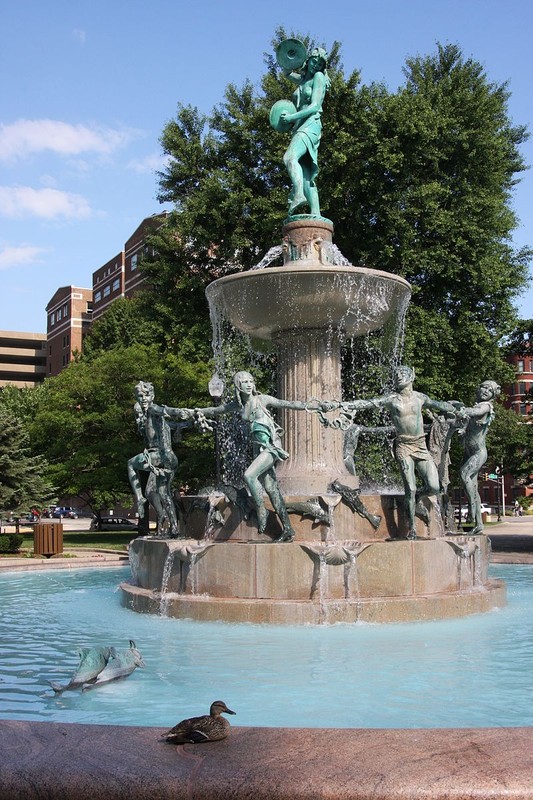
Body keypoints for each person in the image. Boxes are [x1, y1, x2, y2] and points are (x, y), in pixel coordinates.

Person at [320, 366, 463, 539]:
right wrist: (341, 405)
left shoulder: (420, 398)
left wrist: (457, 410)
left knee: (434, 486)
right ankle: (412, 530)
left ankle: (417, 498)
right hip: (403, 446)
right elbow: (367, 403)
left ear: (411, 376)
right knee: (409, 487)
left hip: (420, 445)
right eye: (396, 375)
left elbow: (440, 405)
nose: (398, 377)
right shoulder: (392, 400)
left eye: (402, 374)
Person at [194, 371, 319, 542]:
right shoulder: (238, 406)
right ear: (238, 385)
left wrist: (313, 406)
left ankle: (262, 510)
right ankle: (288, 529)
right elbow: (217, 410)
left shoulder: (262, 400)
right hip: (258, 450)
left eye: (251, 381)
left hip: (271, 447)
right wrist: (196, 411)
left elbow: (286, 403)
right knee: (272, 489)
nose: (249, 384)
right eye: (244, 382)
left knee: (249, 475)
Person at [128, 381, 204, 537]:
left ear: (152, 396)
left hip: (160, 455)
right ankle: (172, 525)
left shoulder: (153, 409)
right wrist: (190, 421)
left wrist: (181, 411)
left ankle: (140, 499)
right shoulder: (153, 417)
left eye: (146, 395)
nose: (143, 399)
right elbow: (176, 425)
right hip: (166, 457)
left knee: (131, 464)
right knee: (158, 492)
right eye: (140, 396)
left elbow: (166, 410)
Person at [279, 47, 330, 216]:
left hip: (311, 124)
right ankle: (316, 215)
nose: (316, 64)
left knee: (289, 157)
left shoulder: (319, 77)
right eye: (315, 60)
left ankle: (299, 194)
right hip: (299, 126)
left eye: (320, 63)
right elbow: (286, 73)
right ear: (308, 60)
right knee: (307, 176)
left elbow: (315, 106)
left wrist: (292, 117)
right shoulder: (302, 80)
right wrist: (290, 58)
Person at [454, 380, 501, 535]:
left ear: (493, 394)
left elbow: (475, 413)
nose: (485, 390)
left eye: (489, 389)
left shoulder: (486, 406)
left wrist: (461, 410)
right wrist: (462, 431)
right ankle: (479, 523)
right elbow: (467, 426)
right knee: (472, 487)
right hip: (468, 451)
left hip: (478, 453)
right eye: (483, 387)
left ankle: (473, 510)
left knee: (464, 474)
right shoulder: (475, 406)